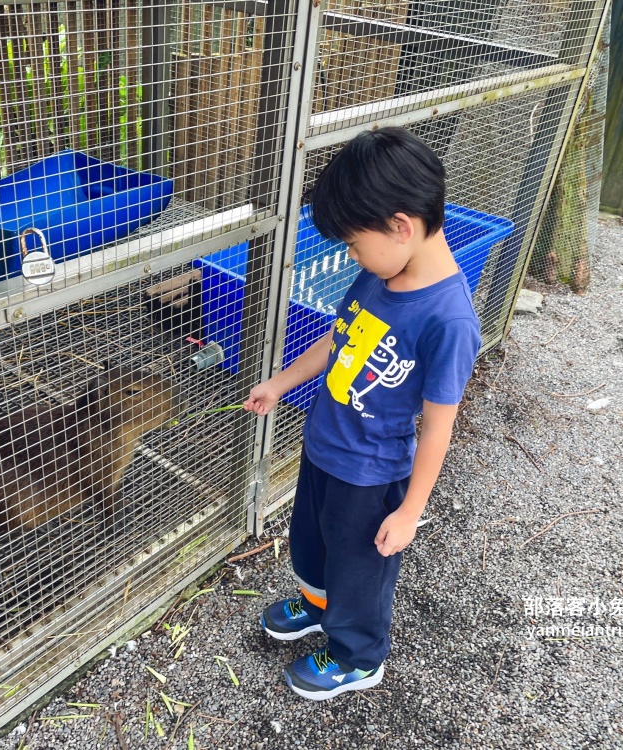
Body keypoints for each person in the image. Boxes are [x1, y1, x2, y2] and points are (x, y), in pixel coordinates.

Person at [243, 127, 481, 700]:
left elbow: (439, 427)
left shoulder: (447, 321)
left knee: (362, 568)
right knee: (313, 542)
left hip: (372, 474)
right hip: (325, 446)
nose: (350, 255)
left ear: (401, 226)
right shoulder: (379, 273)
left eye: (353, 242)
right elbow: (338, 339)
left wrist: (410, 513)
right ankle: (320, 603)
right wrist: (281, 382)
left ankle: (358, 654)